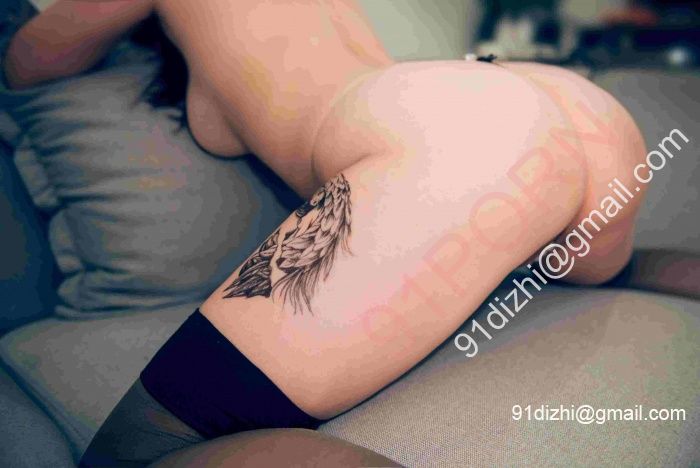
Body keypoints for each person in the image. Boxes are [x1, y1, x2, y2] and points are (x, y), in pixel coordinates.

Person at [6, 0, 689, 466]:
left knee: (140, 447)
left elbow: (28, 60)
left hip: (471, 132)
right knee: (580, 257)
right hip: (572, 109)